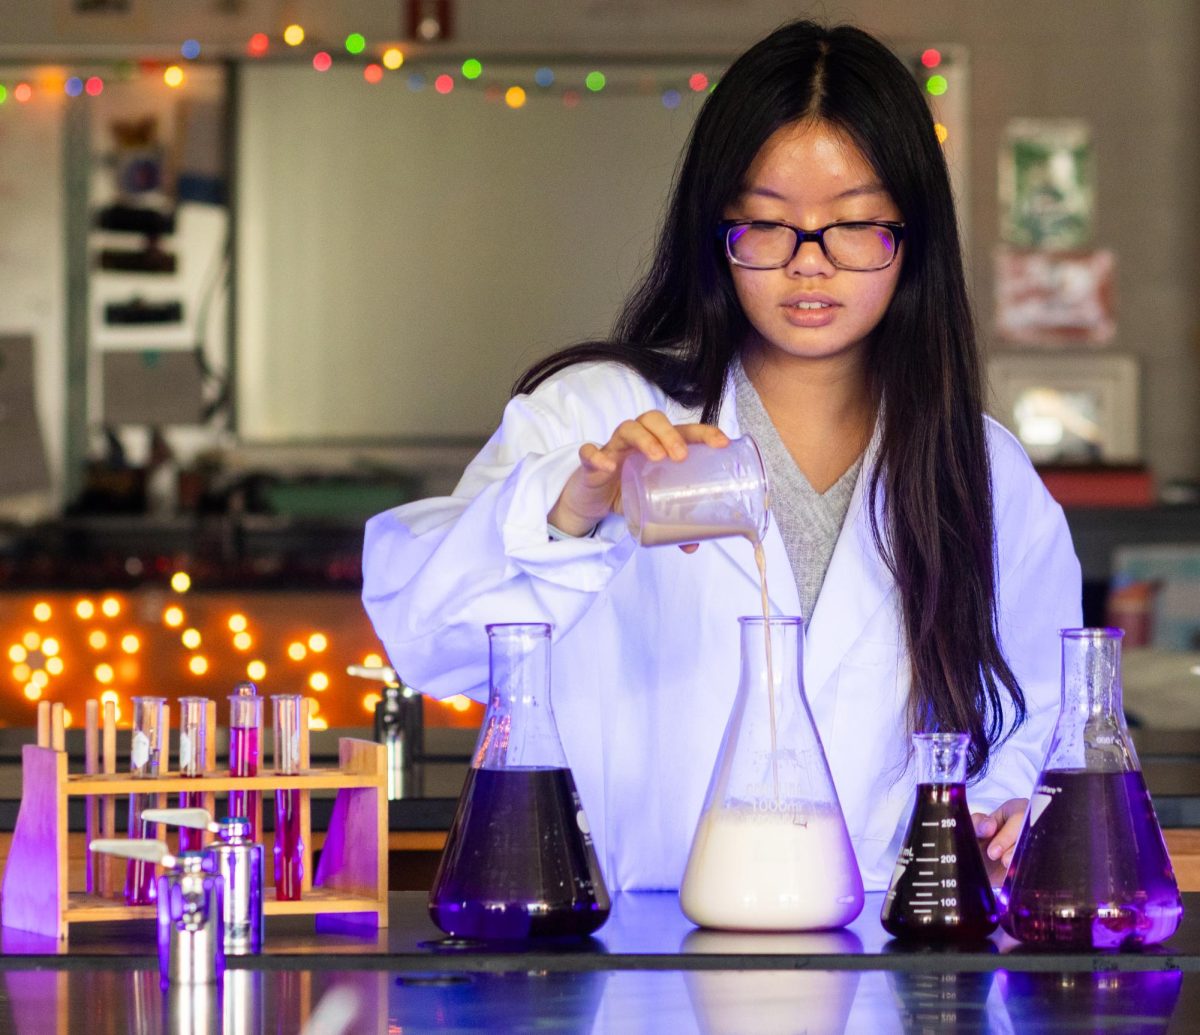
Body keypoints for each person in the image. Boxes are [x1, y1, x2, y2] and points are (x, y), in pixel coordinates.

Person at [362, 19, 1082, 892]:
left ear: (913, 237)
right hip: (631, 961)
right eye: (768, 226)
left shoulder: (980, 469)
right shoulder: (600, 415)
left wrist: (1004, 807)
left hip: (889, 972)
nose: (809, 266)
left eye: (855, 225)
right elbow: (432, 643)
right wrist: (573, 508)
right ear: (717, 232)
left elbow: (1046, 707)